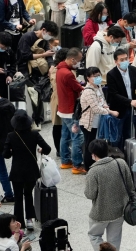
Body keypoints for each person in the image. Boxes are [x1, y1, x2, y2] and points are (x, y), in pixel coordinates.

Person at [85, 139, 135, 251]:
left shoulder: (93, 171)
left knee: (94, 236)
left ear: (94, 154)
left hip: (100, 213)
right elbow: (130, 185)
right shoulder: (121, 163)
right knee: (115, 240)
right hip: (119, 211)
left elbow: (90, 194)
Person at [3, 110, 51, 230]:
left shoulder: (11, 136)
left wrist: (11, 151)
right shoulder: (35, 134)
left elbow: (5, 155)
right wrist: (40, 151)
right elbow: (47, 148)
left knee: (18, 197)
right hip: (31, 170)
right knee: (28, 194)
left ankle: (19, 222)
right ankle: (30, 219)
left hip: (17, 171)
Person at [79, 67, 119, 171]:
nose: (98, 78)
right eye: (94, 76)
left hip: (98, 122)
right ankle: (88, 167)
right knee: (89, 146)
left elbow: (102, 101)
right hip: (89, 123)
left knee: (95, 144)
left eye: (99, 75)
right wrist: (110, 112)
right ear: (88, 78)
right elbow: (96, 108)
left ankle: (95, 163)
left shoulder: (98, 87)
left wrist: (106, 107)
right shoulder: (88, 91)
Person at [107, 48, 136, 148]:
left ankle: (127, 158)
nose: (124, 61)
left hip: (132, 108)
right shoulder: (111, 74)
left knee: (129, 134)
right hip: (118, 109)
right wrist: (130, 101)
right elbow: (114, 94)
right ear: (116, 61)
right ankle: (117, 157)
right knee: (117, 137)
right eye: (121, 60)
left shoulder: (132, 69)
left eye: (126, 59)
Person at [56, 47, 85, 175]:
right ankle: (77, 165)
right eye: (78, 61)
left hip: (63, 108)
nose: (79, 63)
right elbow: (78, 88)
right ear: (72, 59)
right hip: (71, 109)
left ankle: (65, 161)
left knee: (65, 136)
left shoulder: (59, 70)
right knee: (77, 136)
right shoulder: (67, 74)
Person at [49, 48, 69, 158]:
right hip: (58, 99)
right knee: (57, 125)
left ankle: (63, 148)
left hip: (62, 99)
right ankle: (58, 149)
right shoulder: (56, 70)